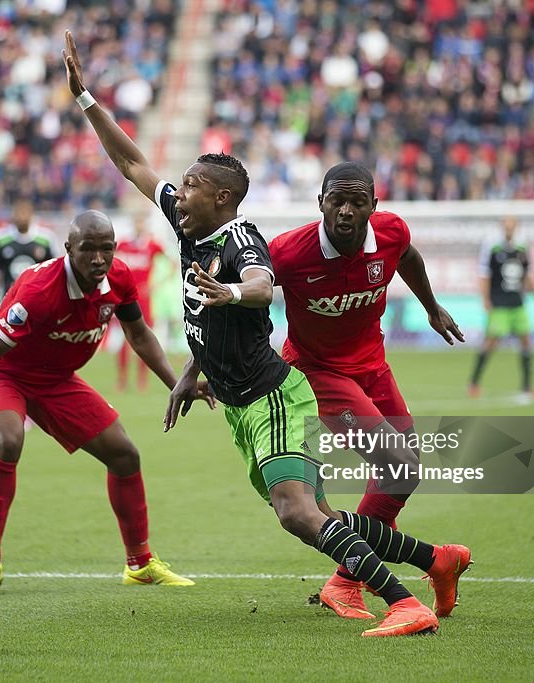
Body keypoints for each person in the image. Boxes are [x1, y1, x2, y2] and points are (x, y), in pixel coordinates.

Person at [64, 31, 467, 637]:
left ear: (222, 198)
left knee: (297, 511)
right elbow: (132, 165)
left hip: (274, 396)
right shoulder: (189, 226)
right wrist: (86, 99)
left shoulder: (244, 240)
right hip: (241, 404)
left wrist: (229, 292)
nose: (179, 189)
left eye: (192, 184)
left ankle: (403, 605)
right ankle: (436, 559)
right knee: (322, 515)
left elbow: (258, 283)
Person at [0, 209, 207, 592]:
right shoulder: (38, 292)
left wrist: (178, 383)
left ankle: (139, 563)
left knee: (124, 454)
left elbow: (139, 335)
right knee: (9, 441)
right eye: (88, 249)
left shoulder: (118, 277)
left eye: (107, 249)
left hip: (57, 381)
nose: (99, 259)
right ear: (69, 248)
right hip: (10, 376)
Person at [269, 161, 470, 620]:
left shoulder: (392, 232)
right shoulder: (289, 253)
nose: (345, 211)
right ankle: (348, 582)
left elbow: (409, 258)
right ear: (320, 203)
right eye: (336, 200)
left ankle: (438, 561)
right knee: (397, 462)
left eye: (356, 202)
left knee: (405, 471)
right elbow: (249, 294)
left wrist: (432, 307)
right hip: (316, 371)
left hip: (373, 366)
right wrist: (196, 362)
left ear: (373, 207)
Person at [468, 215, 534, 403]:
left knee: (526, 342)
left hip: (518, 303)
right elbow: (484, 274)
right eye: (506, 226)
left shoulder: (522, 248)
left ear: (516, 227)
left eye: (512, 226)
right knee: (491, 342)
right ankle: (474, 383)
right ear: (502, 228)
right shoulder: (493, 247)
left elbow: (528, 274)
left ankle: (527, 387)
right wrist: (485, 298)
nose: (509, 229)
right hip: (499, 303)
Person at [0, 198, 58, 326]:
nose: (21, 216)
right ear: (13, 215)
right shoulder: (1, 240)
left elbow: (56, 275)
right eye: (18, 212)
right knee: (8, 344)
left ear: (31, 214)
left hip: (39, 304)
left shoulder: (46, 240)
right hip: (9, 304)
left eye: (25, 212)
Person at [114, 213, 166, 391]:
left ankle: (142, 379)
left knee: (145, 337)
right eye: (136, 221)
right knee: (124, 339)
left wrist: (154, 286)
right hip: (126, 297)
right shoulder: (124, 244)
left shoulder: (152, 245)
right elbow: (112, 262)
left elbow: (172, 265)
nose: (139, 225)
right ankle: (122, 378)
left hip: (144, 298)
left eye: (141, 221)